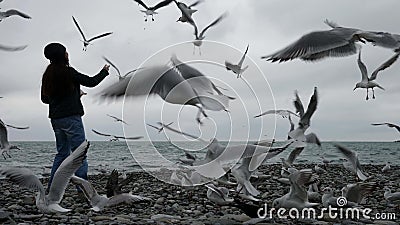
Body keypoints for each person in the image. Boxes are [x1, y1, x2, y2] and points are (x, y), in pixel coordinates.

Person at [41, 42, 109, 193]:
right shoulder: (69, 72)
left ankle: (52, 189)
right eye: (65, 51)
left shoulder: (48, 75)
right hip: (71, 118)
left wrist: (61, 98)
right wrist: (104, 72)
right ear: (62, 55)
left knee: (62, 154)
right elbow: (91, 82)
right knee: (79, 154)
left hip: (56, 119)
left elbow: (44, 99)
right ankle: (83, 190)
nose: (67, 53)